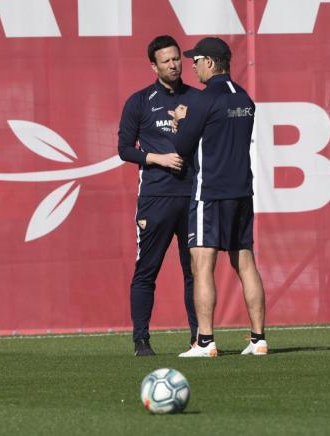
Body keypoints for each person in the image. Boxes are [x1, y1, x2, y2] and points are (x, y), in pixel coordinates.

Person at [171, 37, 267, 357]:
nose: (193, 66)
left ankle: (206, 341)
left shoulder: (202, 100)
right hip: (241, 190)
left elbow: (182, 147)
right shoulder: (245, 97)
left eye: (196, 60)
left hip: (209, 192)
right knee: (245, 262)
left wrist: (180, 122)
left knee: (202, 265)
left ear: (210, 63)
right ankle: (258, 339)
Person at [118, 35, 199, 356]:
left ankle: (200, 338)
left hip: (193, 195)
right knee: (146, 270)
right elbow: (124, 149)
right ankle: (141, 340)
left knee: (195, 271)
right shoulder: (139, 101)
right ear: (154, 65)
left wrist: (185, 130)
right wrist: (158, 158)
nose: (174, 64)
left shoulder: (197, 99)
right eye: (166, 60)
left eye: (177, 58)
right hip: (156, 196)